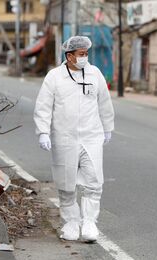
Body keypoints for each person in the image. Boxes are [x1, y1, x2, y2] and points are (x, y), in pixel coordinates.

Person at [33, 36, 115, 242]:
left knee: (94, 181)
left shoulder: (94, 74)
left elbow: (104, 102)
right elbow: (43, 106)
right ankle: (70, 222)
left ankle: (89, 223)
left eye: (86, 54)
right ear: (69, 56)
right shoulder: (54, 77)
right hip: (64, 138)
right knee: (66, 183)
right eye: (81, 54)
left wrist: (107, 128)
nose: (85, 57)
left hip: (91, 137)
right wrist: (43, 131)